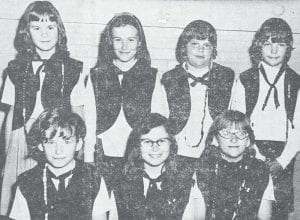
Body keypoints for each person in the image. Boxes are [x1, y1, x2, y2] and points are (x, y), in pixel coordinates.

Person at [0, 1, 93, 214]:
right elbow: (12, 115)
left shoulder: (72, 68)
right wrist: (6, 155)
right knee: (21, 199)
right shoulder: (15, 69)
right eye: (36, 28)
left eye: (50, 27)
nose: (44, 34)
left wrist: (81, 153)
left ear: (59, 31)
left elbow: (78, 113)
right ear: (27, 32)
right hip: (21, 138)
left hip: (56, 138)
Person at [230, 17, 300, 219]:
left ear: (289, 49)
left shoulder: (295, 82)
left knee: (278, 210)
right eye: (268, 44)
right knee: (249, 207)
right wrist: (255, 154)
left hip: (283, 155)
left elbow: (298, 129)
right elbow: (237, 121)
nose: (274, 50)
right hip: (251, 151)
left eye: (280, 44)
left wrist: (282, 161)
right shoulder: (245, 79)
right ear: (258, 46)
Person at [90, 12, 161, 185]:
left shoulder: (153, 76)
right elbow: (89, 120)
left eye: (130, 40)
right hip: (103, 152)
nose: (124, 46)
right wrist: (88, 159)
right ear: (109, 42)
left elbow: (158, 119)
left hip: (138, 155)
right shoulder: (96, 75)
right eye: (117, 40)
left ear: (140, 42)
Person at [9, 108, 112, 220]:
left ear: (78, 144)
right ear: (40, 145)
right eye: (51, 142)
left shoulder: (93, 178)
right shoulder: (27, 182)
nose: (58, 151)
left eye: (67, 142)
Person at [160, 20, 235, 159]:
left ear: (213, 49)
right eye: (195, 44)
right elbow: (161, 119)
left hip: (216, 152)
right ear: (184, 47)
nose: (201, 50)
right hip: (178, 153)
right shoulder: (169, 78)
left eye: (207, 45)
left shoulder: (227, 77)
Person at [114, 113, 197, 219]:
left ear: (171, 143)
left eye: (161, 141)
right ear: (136, 145)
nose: (155, 148)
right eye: (147, 141)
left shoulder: (187, 182)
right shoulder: (120, 182)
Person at [193, 110, 274, 219]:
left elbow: (264, 217)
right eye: (226, 133)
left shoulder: (261, 171)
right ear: (216, 140)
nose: (234, 139)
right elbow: (198, 217)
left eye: (241, 133)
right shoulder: (203, 170)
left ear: (248, 140)